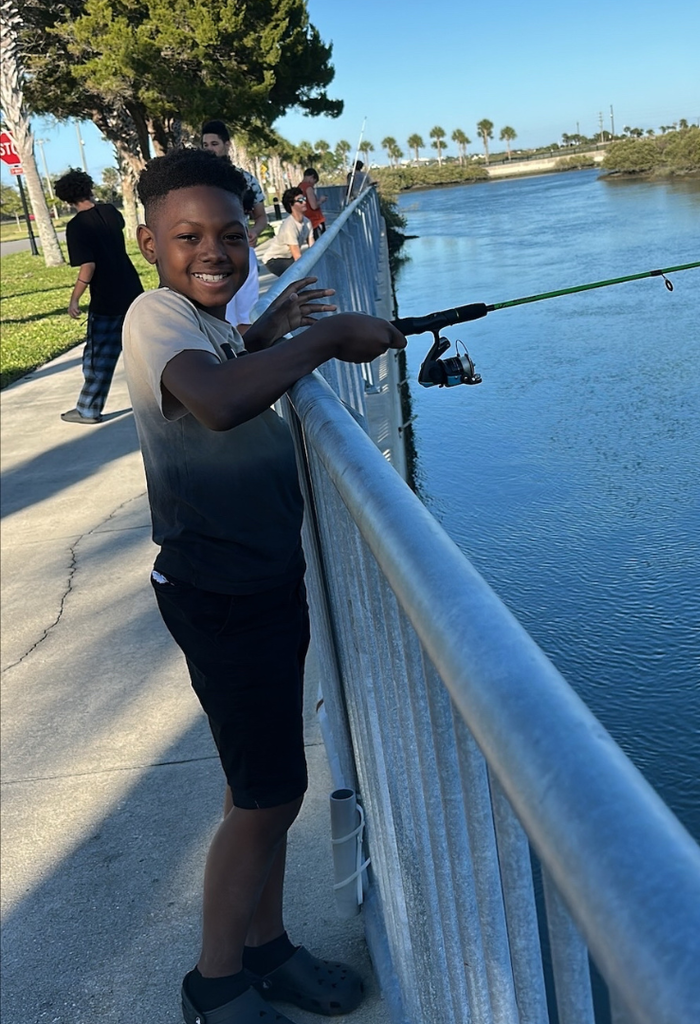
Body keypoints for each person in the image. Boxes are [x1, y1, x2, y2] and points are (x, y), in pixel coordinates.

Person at [122, 147, 406, 1024]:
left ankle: (267, 946)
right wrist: (323, 339)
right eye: (188, 236)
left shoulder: (204, 322)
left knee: (266, 783)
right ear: (148, 242)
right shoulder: (151, 314)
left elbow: (223, 361)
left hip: (264, 577)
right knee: (266, 794)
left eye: (232, 235)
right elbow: (212, 400)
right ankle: (216, 983)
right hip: (219, 591)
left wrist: (264, 334)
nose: (215, 251)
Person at [54, 169, 144, 424]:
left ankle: (88, 409)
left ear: (66, 198)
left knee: (98, 357)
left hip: (107, 298)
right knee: (143, 351)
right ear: (88, 187)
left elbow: (88, 267)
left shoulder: (76, 227)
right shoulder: (110, 212)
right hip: (132, 289)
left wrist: (74, 299)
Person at [200, 119, 268, 330]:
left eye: (215, 144)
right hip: (212, 255)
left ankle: (246, 357)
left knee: (246, 315)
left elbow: (261, 217)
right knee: (220, 316)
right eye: (205, 145)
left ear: (227, 144)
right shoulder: (196, 182)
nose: (210, 149)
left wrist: (254, 232)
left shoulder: (246, 180)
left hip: (241, 252)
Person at [261, 187, 311, 277]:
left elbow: (313, 247)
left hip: (288, 257)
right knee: (297, 274)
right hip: (274, 260)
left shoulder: (307, 222)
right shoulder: (289, 226)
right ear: (291, 205)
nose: (304, 202)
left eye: (304, 199)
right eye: (300, 201)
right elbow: (297, 257)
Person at [298, 169, 326, 240]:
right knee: (322, 243)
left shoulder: (299, 188)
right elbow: (314, 206)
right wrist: (321, 200)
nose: (313, 184)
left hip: (307, 222)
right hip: (316, 221)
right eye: (314, 182)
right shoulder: (308, 187)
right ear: (312, 177)